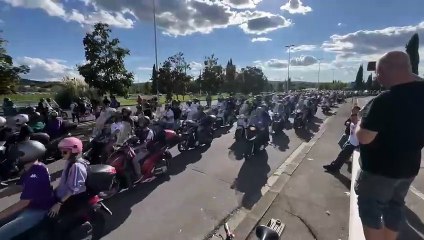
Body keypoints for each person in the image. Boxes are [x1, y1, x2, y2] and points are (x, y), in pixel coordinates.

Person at [354, 51, 424, 240]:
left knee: (371, 211)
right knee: (395, 206)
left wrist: (359, 122)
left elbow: (364, 137)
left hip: (380, 172)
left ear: (387, 71)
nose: (377, 77)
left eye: (378, 72)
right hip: (409, 168)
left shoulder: (384, 101)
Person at [0, 140, 55, 240]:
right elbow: (20, 186)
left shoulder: (36, 174)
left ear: (28, 155)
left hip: (38, 211)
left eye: (18, 155)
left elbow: (23, 202)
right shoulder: (33, 167)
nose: (15, 158)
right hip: (32, 206)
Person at [50, 137, 89, 228]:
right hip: (63, 196)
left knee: (57, 224)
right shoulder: (69, 162)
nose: (62, 154)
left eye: (65, 152)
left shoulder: (77, 166)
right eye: (61, 152)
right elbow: (64, 181)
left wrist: (59, 204)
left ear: (74, 151)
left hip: (71, 199)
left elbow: (73, 189)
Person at [133, 117, 155, 184]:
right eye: (140, 122)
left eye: (142, 122)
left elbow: (145, 144)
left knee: (135, 160)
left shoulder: (149, 132)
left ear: (145, 123)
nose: (140, 123)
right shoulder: (140, 130)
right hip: (140, 148)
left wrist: (135, 148)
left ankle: (139, 176)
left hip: (147, 149)